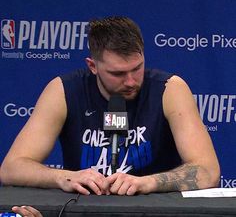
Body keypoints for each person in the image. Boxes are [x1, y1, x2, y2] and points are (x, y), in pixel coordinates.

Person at [1, 16, 220, 196]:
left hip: (155, 211)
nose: (131, 81)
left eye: (137, 68)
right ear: (93, 66)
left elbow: (208, 172)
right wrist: (64, 177)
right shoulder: (63, 90)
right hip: (85, 209)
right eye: (118, 73)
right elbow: (12, 168)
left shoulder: (170, 89)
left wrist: (147, 183)